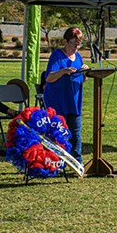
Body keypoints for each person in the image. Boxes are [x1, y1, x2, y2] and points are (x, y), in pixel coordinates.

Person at [43, 27, 89, 163]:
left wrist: (84, 72)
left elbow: (80, 80)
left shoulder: (78, 57)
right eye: (73, 43)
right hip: (58, 101)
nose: (76, 47)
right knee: (58, 133)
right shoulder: (57, 55)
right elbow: (49, 78)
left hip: (74, 102)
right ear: (65, 41)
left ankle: (77, 163)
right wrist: (63, 71)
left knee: (76, 134)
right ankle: (55, 161)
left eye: (78, 44)